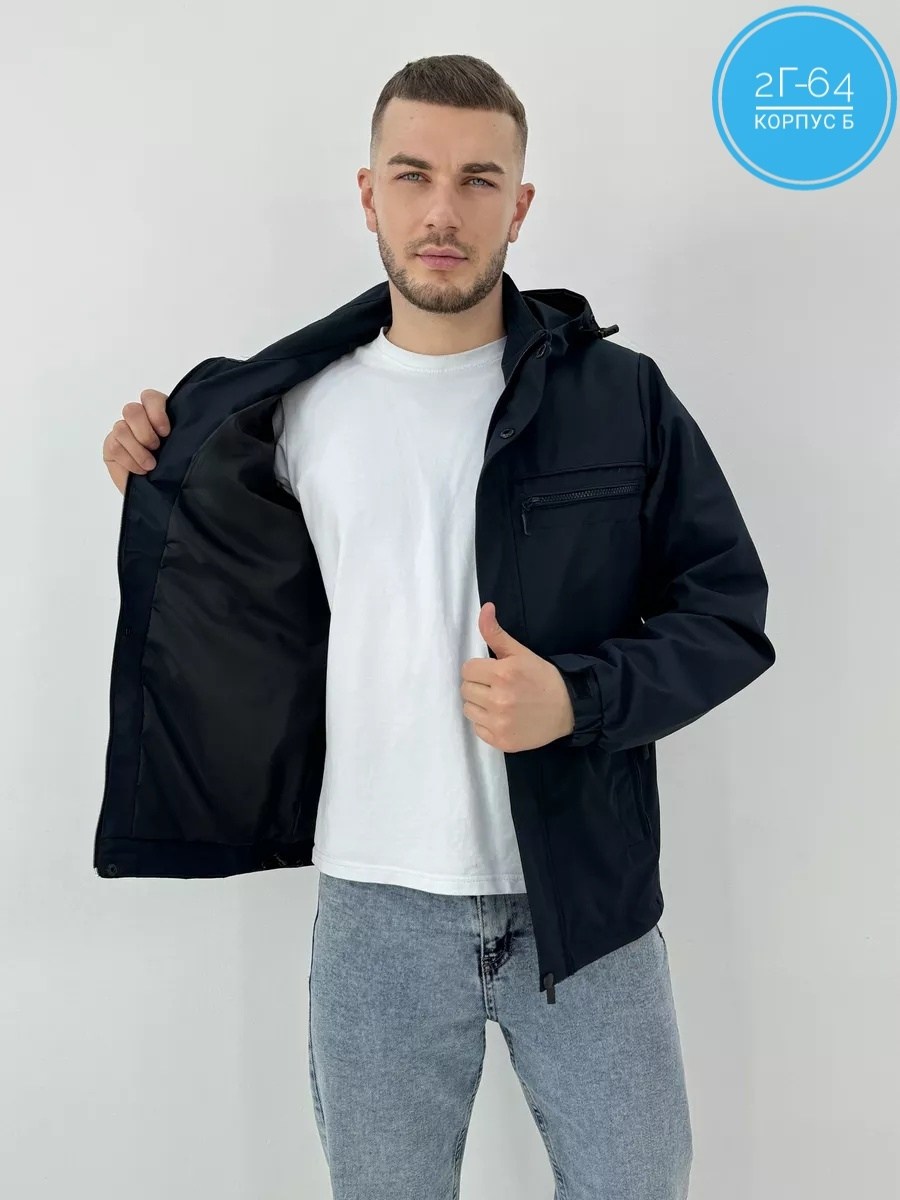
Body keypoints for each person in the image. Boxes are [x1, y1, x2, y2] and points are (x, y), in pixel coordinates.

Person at [100, 54, 775, 1200]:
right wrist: (158, 482)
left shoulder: (620, 397)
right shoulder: (290, 409)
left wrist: (579, 699)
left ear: (521, 204)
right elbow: (237, 601)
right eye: (413, 175)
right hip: (377, 912)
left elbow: (727, 613)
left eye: (478, 180)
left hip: (587, 900)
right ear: (369, 194)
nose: (443, 211)